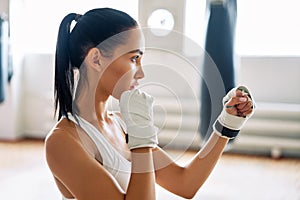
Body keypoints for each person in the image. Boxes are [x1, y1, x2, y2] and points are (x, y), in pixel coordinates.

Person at [45, 8, 255, 200]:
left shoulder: (121, 123)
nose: (141, 72)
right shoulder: (63, 141)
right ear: (96, 59)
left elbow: (185, 183)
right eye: (134, 58)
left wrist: (226, 124)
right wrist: (142, 137)